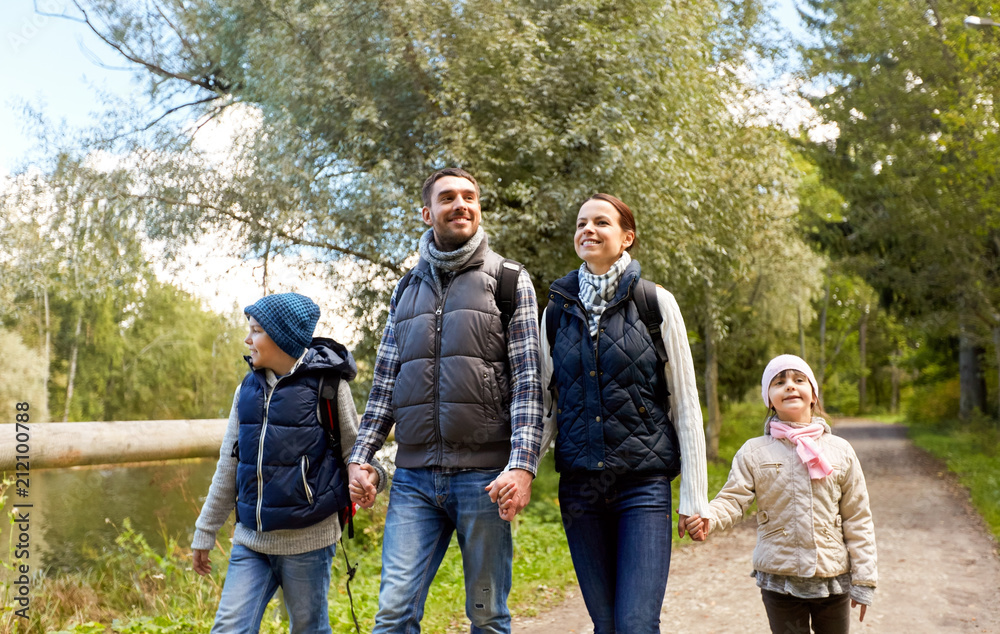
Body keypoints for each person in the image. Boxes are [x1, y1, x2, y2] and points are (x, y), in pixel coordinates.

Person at [346, 167, 544, 633]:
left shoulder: (509, 280)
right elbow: (387, 382)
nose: (461, 204)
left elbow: (528, 385)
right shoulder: (406, 288)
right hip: (414, 482)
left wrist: (521, 466)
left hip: (484, 481)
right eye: (448, 197)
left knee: (487, 613)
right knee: (393, 613)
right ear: (427, 212)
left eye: (470, 196)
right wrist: (361, 456)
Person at [536, 193, 711, 633]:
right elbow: (545, 404)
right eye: (581, 223)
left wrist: (694, 497)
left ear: (626, 237)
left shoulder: (655, 303)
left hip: (643, 487)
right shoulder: (556, 310)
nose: (587, 230)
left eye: (601, 222)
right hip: (580, 491)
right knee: (606, 624)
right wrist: (522, 470)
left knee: (636, 623)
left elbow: (685, 403)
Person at [191, 292, 386, 634]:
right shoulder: (246, 391)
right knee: (229, 628)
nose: (247, 339)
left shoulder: (328, 386)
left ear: (281, 338)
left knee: (308, 629)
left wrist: (372, 479)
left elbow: (357, 452)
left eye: (255, 331)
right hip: (251, 540)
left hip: (308, 542)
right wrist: (205, 532)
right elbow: (228, 468)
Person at [684, 354, 877, 634]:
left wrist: (864, 580)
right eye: (779, 382)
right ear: (769, 399)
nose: (790, 386)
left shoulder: (840, 450)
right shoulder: (754, 451)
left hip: (832, 576)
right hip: (779, 578)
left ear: (813, 396)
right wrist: (708, 517)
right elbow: (733, 499)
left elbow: (858, 517)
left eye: (799, 380)